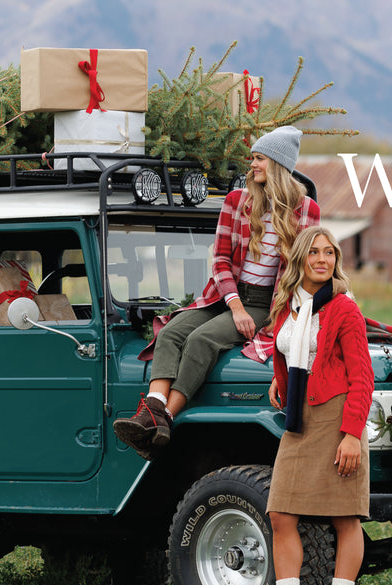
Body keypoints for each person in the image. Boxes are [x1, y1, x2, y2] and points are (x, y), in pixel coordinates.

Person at [113, 125, 321, 459]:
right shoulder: (237, 201)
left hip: (267, 303)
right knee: (171, 332)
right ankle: (153, 412)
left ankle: (166, 418)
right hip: (226, 295)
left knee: (201, 340)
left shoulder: (306, 210)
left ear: (278, 164)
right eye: (253, 158)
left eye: (259, 158)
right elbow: (221, 260)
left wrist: (276, 315)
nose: (252, 164)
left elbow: (298, 273)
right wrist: (235, 306)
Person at [265, 225, 374, 585]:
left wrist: (352, 434)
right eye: (314, 252)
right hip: (300, 419)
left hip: (337, 416)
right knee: (280, 513)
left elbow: (362, 377)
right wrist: (280, 380)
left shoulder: (344, 308)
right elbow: (285, 349)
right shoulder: (287, 304)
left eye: (329, 253)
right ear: (300, 259)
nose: (322, 260)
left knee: (345, 517)